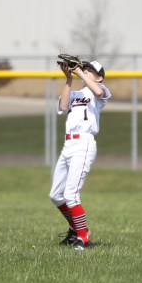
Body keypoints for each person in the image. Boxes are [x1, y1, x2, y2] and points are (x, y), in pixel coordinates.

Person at [49, 58, 111, 250]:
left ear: (99, 77)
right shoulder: (76, 93)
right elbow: (63, 107)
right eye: (84, 68)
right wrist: (69, 79)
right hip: (68, 144)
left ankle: (83, 239)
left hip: (84, 143)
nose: (84, 71)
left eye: (89, 70)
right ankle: (76, 230)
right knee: (56, 195)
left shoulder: (100, 91)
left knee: (71, 194)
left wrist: (80, 73)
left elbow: (98, 92)